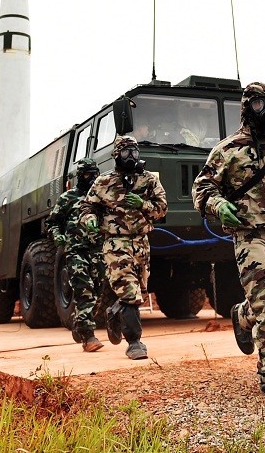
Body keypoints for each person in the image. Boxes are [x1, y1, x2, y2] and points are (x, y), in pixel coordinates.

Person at [192, 82, 265, 403]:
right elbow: (202, 189)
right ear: (246, 109)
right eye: (259, 105)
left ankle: (243, 315)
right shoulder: (227, 150)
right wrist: (217, 205)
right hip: (250, 237)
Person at [79, 135, 167, 361]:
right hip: (115, 243)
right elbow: (86, 207)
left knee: (140, 291)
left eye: (134, 151)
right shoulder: (104, 182)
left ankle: (115, 311)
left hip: (142, 242)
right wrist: (89, 219)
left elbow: (162, 209)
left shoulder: (148, 180)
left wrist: (142, 204)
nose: (131, 156)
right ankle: (134, 342)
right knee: (129, 291)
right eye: (126, 152)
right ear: (116, 155)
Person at [43, 158, 104, 351]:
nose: (92, 178)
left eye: (95, 175)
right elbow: (51, 223)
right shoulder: (67, 198)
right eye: (87, 175)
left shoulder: (100, 198)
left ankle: (79, 323)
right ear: (80, 176)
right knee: (84, 290)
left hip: (97, 250)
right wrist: (57, 236)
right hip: (76, 251)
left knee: (98, 292)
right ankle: (89, 337)